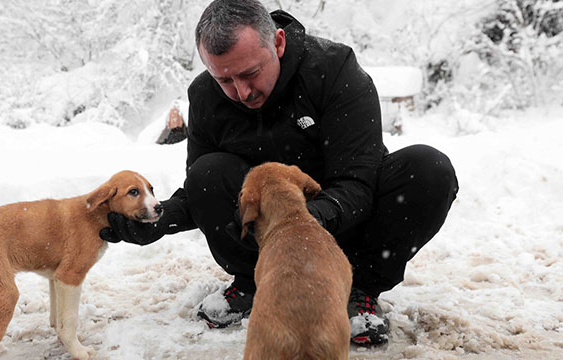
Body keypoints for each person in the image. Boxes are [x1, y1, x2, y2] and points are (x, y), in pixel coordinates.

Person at [99, 0, 458, 346]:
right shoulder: (206, 97)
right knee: (209, 172)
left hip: (343, 229)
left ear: (278, 42)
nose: (241, 92)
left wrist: (302, 219)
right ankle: (253, 284)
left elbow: (358, 181)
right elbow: (199, 188)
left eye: (250, 73)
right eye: (224, 80)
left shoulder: (334, 70)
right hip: (265, 249)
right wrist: (159, 221)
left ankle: (358, 290)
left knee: (428, 170)